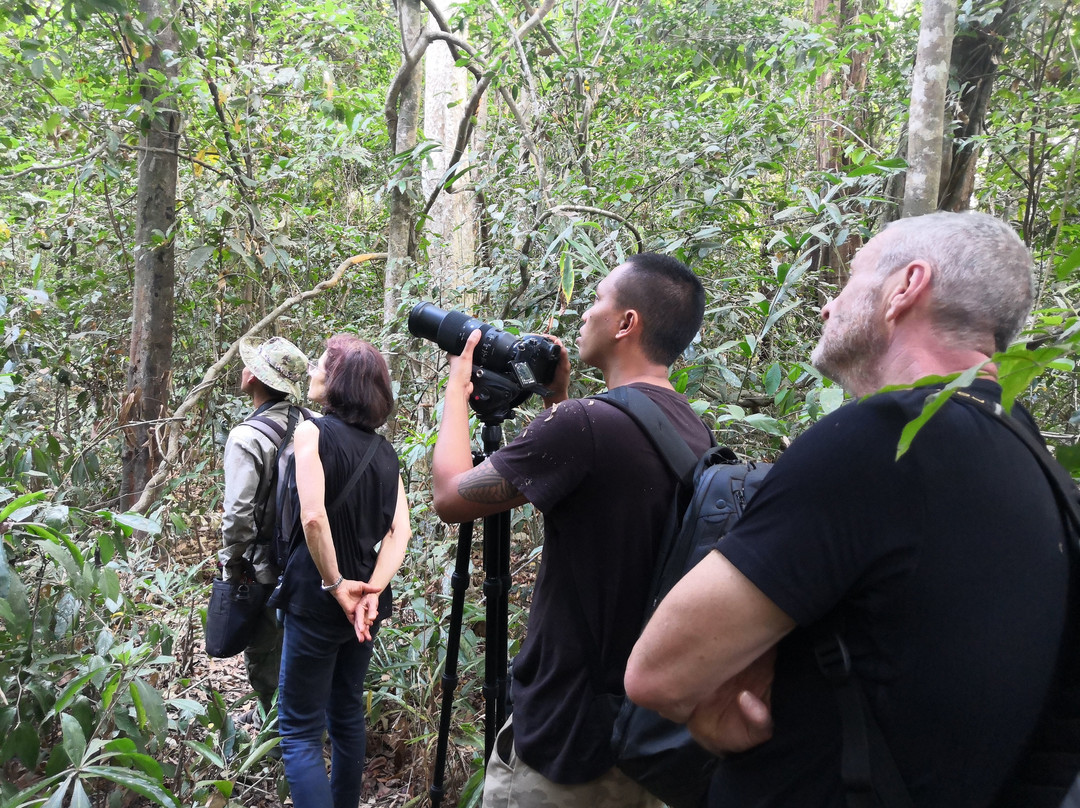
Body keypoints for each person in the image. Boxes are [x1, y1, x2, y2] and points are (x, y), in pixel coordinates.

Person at [624, 211, 1073, 807]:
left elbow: (655, 674)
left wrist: (730, 682)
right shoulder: (1038, 463)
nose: (827, 306)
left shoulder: (880, 438)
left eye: (851, 280)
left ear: (905, 287)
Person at [431, 253, 712, 807]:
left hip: (563, 742)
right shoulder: (692, 432)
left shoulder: (585, 425)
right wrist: (556, 401)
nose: (583, 313)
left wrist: (456, 394)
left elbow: (450, 497)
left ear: (626, 323)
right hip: (640, 735)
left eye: (597, 300)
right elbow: (592, 507)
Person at [269, 334, 411, 808]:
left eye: (320, 366)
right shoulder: (386, 453)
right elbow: (399, 533)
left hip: (317, 597)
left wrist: (335, 585)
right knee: (346, 715)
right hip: (365, 608)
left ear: (338, 383)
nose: (312, 372)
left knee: (300, 731)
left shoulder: (311, 432)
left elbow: (313, 516)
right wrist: (372, 590)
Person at [219, 335, 311, 723]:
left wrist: (231, 562)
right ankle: (295, 725)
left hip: (262, 566)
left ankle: (277, 740)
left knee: (263, 654)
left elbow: (239, 513)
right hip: (308, 560)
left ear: (256, 378)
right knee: (297, 645)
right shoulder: (313, 424)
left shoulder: (247, 436)